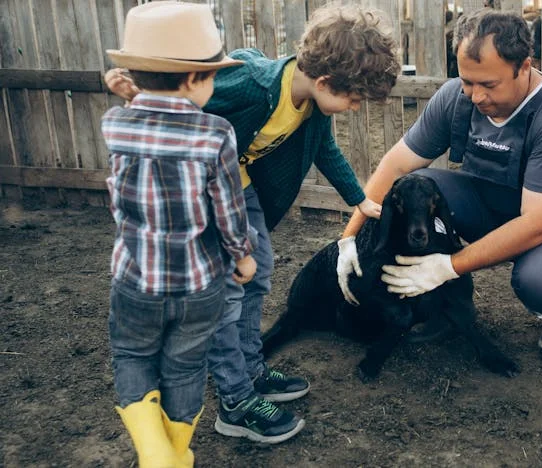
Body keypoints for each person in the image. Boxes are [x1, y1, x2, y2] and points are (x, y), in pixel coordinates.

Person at [105, 3, 400, 444]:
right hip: (201, 198)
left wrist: (359, 200)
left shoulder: (313, 108)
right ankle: (235, 400)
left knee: (257, 275)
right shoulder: (248, 83)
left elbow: (326, 153)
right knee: (225, 295)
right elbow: (178, 102)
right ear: (324, 82)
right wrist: (136, 96)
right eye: (354, 97)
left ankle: (251, 367)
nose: (355, 107)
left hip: (240, 191)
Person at [337, 9, 542, 361]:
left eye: (488, 84)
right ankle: (437, 307)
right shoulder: (457, 97)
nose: (475, 96)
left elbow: (539, 224)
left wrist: (448, 265)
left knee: (540, 279)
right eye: (468, 81)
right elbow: (396, 165)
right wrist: (347, 239)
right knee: (413, 189)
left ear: (524, 67)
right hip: (494, 206)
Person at [102, 2, 254, 466]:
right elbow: (229, 210)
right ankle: (177, 453)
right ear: (192, 78)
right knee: (185, 366)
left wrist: (131, 94)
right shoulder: (215, 135)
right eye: (211, 76)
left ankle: (154, 454)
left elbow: (145, 119)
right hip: (199, 285)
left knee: (132, 356)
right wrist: (243, 256)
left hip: (134, 281)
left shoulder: (116, 124)